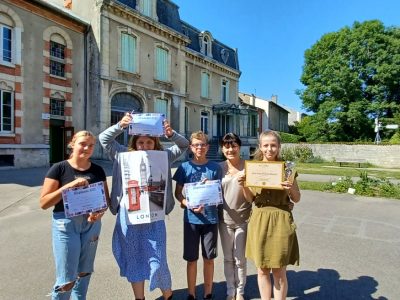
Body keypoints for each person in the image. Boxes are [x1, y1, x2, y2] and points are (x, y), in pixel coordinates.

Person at [99, 113, 189, 300]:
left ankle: (168, 294)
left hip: (154, 218)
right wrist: (120, 125)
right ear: (135, 143)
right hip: (128, 216)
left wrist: (171, 134)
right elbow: (103, 139)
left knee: (158, 259)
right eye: (141, 143)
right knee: (133, 258)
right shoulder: (122, 154)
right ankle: (139, 298)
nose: (145, 146)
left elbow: (184, 145)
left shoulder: (164, 156)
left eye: (149, 143)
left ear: (155, 143)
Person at [39, 130, 110, 300]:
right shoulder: (60, 168)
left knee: (85, 271)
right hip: (65, 223)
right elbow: (44, 203)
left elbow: (104, 200)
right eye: (82, 144)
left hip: (91, 224)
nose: (86, 148)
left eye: (91, 145)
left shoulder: (98, 170)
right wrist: (68, 186)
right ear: (72, 144)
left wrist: (99, 212)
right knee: (67, 278)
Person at [238, 130, 301, 300]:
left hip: (281, 220)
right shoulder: (253, 168)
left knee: (279, 270)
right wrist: (244, 185)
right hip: (259, 219)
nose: (269, 149)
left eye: (273, 145)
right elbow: (250, 198)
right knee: (262, 268)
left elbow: (297, 198)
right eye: (265, 145)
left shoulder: (287, 169)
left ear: (279, 147)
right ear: (260, 146)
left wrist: (291, 188)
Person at [173, 131, 223, 300]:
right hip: (191, 220)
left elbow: (220, 194)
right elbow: (178, 194)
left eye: (202, 144)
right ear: (191, 147)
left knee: (209, 258)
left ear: (207, 147)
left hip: (210, 219)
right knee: (191, 259)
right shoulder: (184, 167)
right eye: (196, 145)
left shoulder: (215, 168)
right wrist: (188, 204)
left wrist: (213, 189)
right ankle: (191, 294)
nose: (200, 148)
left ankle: (208, 293)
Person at [218, 133, 252, 300]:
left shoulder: (249, 167)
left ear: (239, 147)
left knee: (240, 259)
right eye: (227, 146)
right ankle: (230, 290)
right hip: (223, 219)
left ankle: (240, 291)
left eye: (234, 145)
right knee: (227, 258)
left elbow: (253, 196)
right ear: (222, 148)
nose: (230, 149)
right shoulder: (218, 167)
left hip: (243, 219)